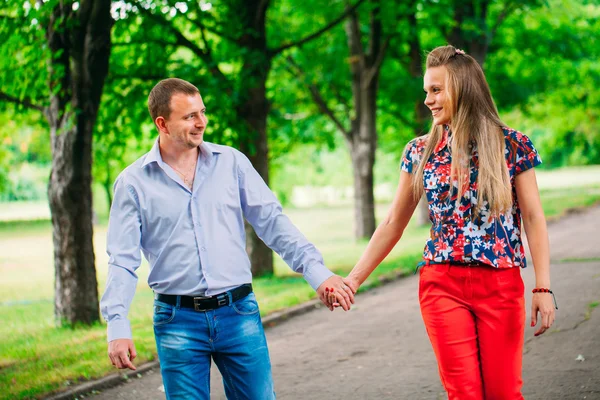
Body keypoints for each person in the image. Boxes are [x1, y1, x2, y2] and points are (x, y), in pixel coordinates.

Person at [100, 78, 355, 400]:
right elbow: (122, 260)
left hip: (238, 314)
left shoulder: (231, 163)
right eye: (190, 116)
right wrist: (118, 325)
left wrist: (318, 275)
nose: (202, 122)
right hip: (177, 321)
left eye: (203, 112)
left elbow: (273, 223)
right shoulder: (133, 183)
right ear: (161, 123)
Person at [331, 46, 556, 399]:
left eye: (436, 90)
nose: (428, 100)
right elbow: (393, 221)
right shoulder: (419, 151)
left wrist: (542, 286)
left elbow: (533, 217)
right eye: (426, 91)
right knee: (463, 393)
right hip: (442, 285)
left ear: (463, 88)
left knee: (503, 393)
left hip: (500, 285)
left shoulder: (512, 145)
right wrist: (354, 279)